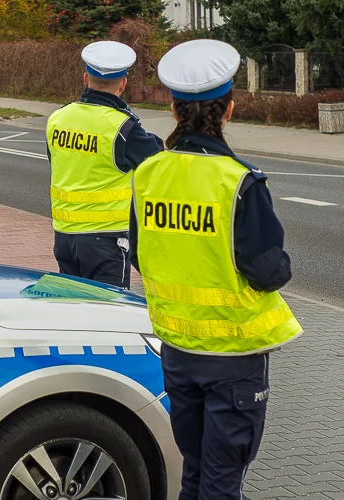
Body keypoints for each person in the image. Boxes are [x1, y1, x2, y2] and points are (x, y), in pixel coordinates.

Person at [129, 39, 304, 500]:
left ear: (173, 109)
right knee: (223, 482)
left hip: (177, 349)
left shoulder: (148, 174)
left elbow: (139, 256)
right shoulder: (239, 180)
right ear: (229, 109)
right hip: (233, 358)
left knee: (196, 471)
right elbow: (268, 271)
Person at [47, 41, 163, 289]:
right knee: (110, 316)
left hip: (64, 237)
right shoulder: (123, 128)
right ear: (123, 84)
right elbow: (158, 161)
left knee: (73, 309)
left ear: (86, 79)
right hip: (105, 240)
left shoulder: (58, 118)